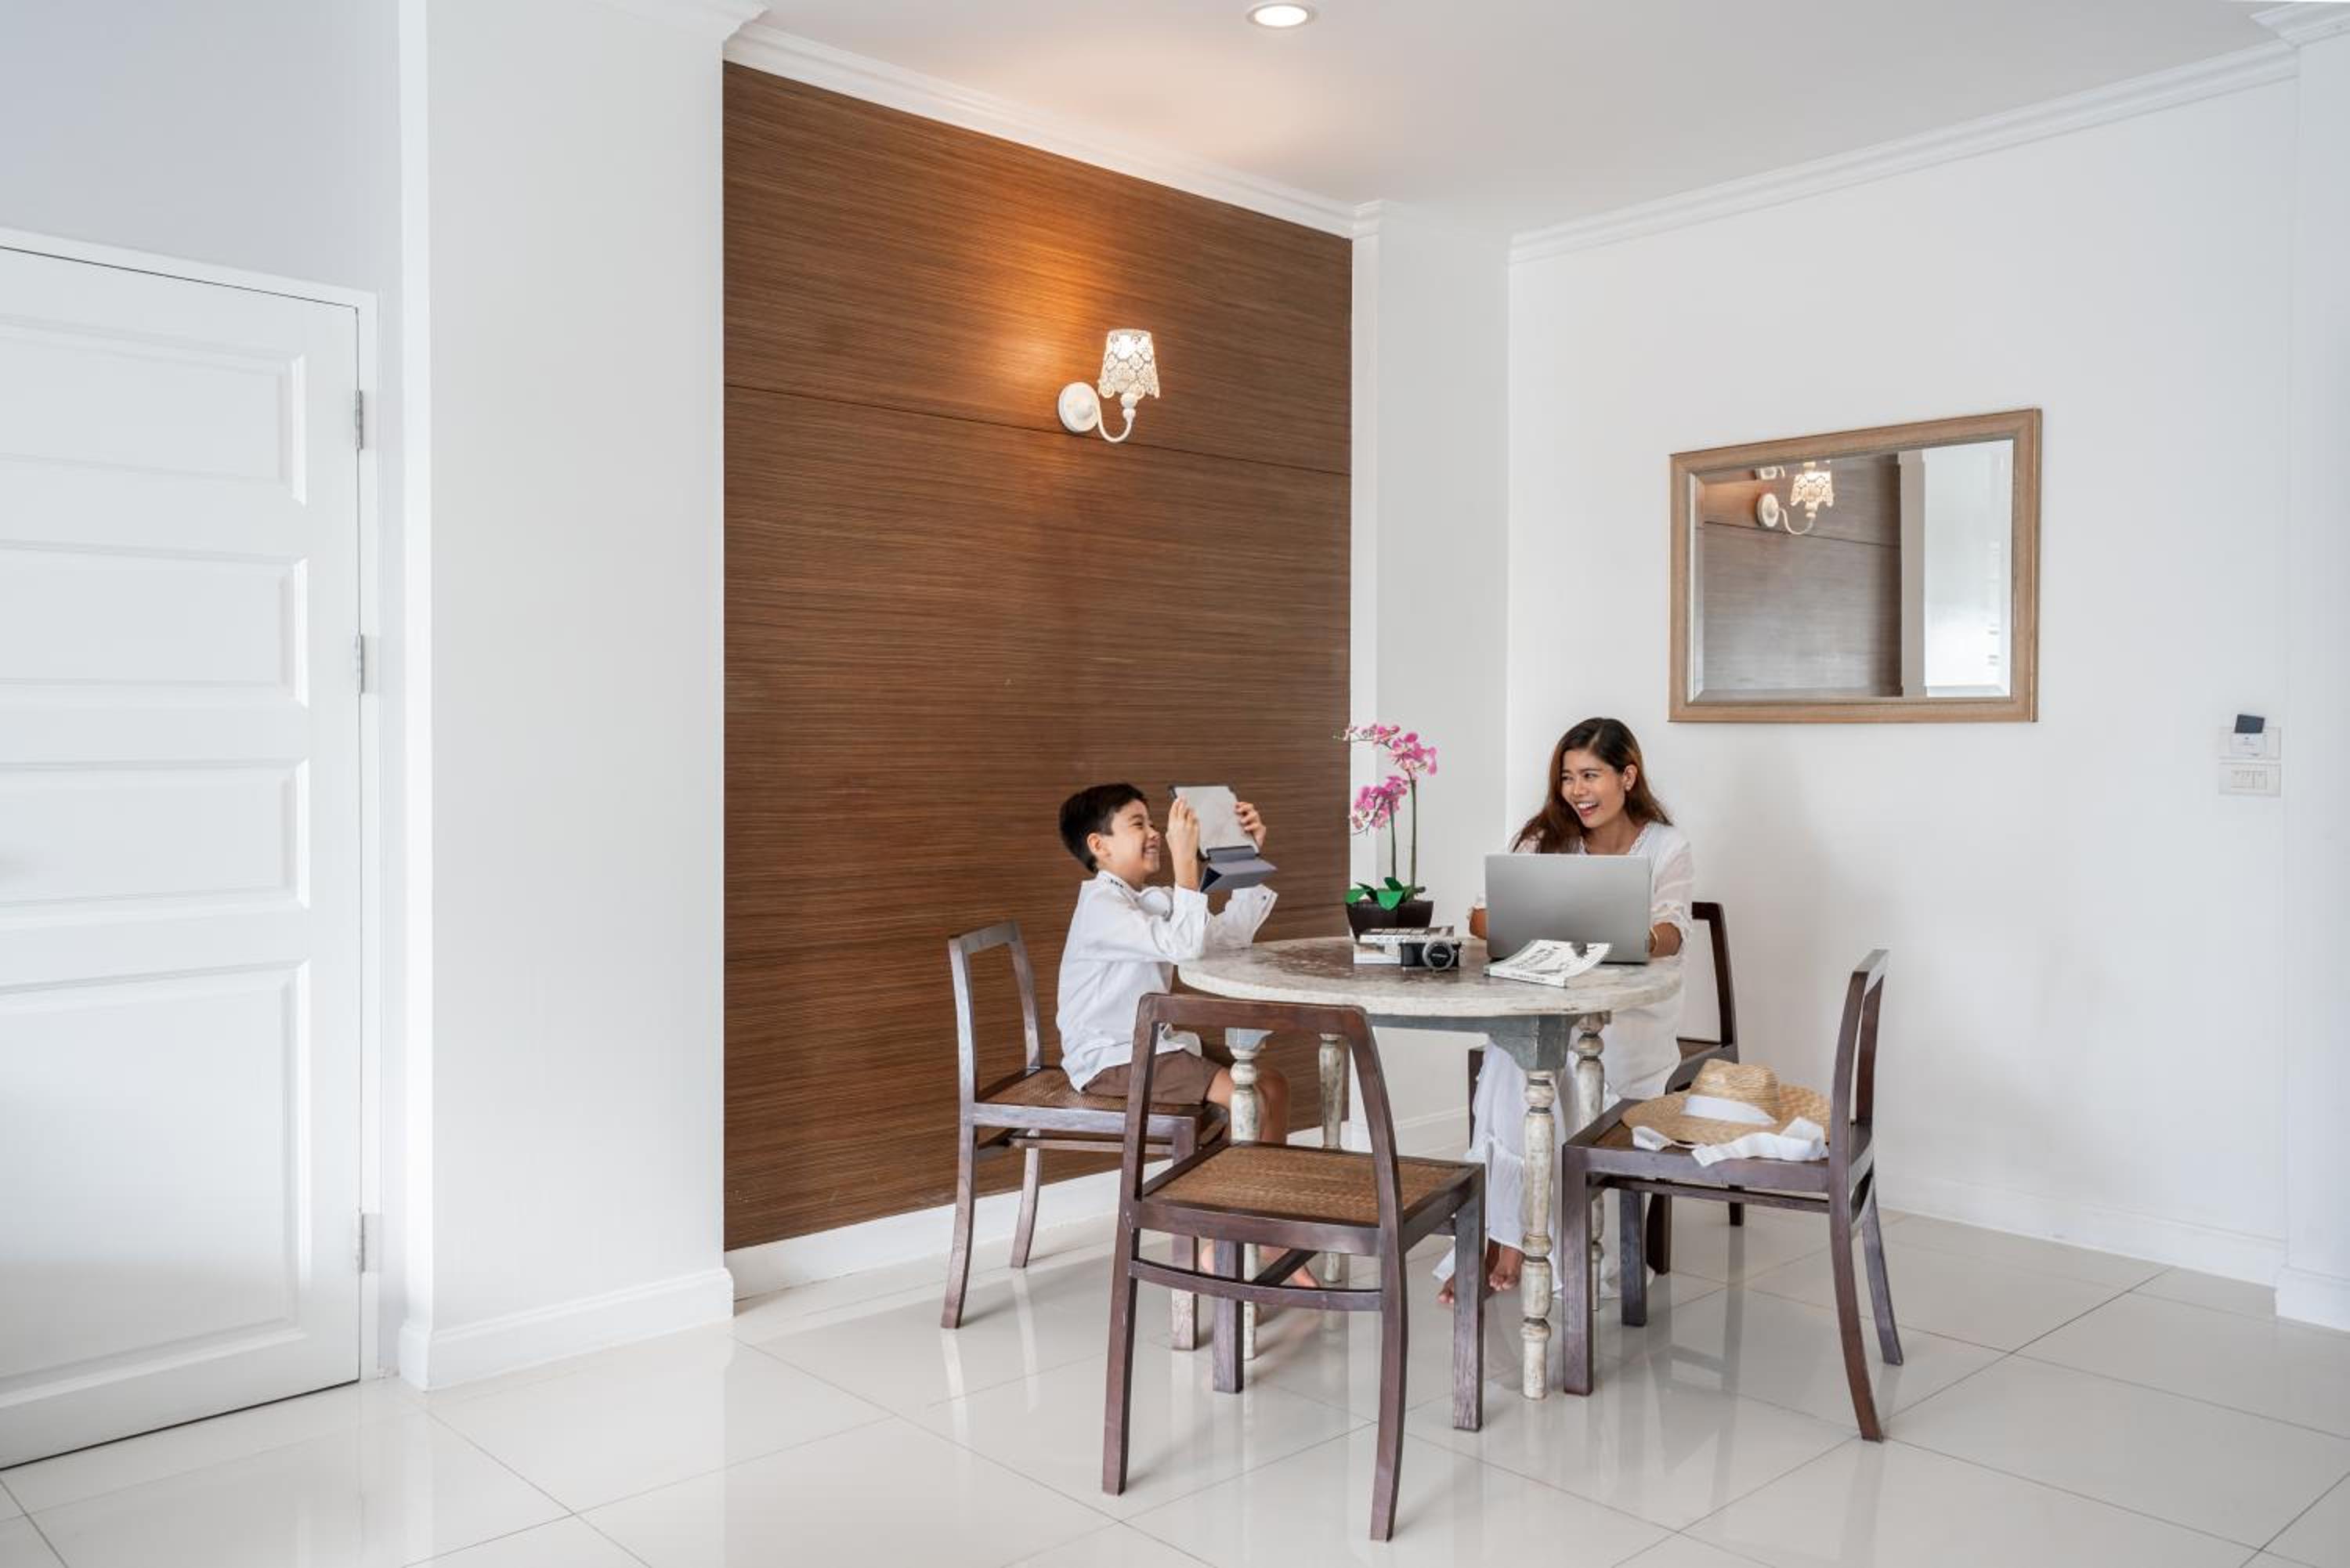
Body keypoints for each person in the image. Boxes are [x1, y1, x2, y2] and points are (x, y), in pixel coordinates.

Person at [1436, 718, 1693, 1306]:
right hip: (1550, 998)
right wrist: (1539, 926)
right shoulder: (1546, 836)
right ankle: (1511, 1235)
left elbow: (1671, 933)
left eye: (1591, 775)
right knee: (1519, 1051)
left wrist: (1618, 935)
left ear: (1627, 776)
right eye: (1568, 777)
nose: (1577, 790)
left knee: (1529, 1060)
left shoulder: (1666, 846)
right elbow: (1481, 919)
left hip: (1628, 1022)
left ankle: (1509, 1238)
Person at [1054, 782, 1295, 1148]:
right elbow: (1184, 946)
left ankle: (1253, 1180)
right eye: (1138, 825)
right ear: (1099, 845)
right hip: (1111, 1058)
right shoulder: (1100, 907)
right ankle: (1219, 1183)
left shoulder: (1150, 900)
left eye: (1152, 823)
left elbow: (1229, 939)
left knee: (1273, 1086)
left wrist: (1244, 857)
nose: (1155, 833)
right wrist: (1185, 864)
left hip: (1152, 1048)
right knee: (1248, 1099)